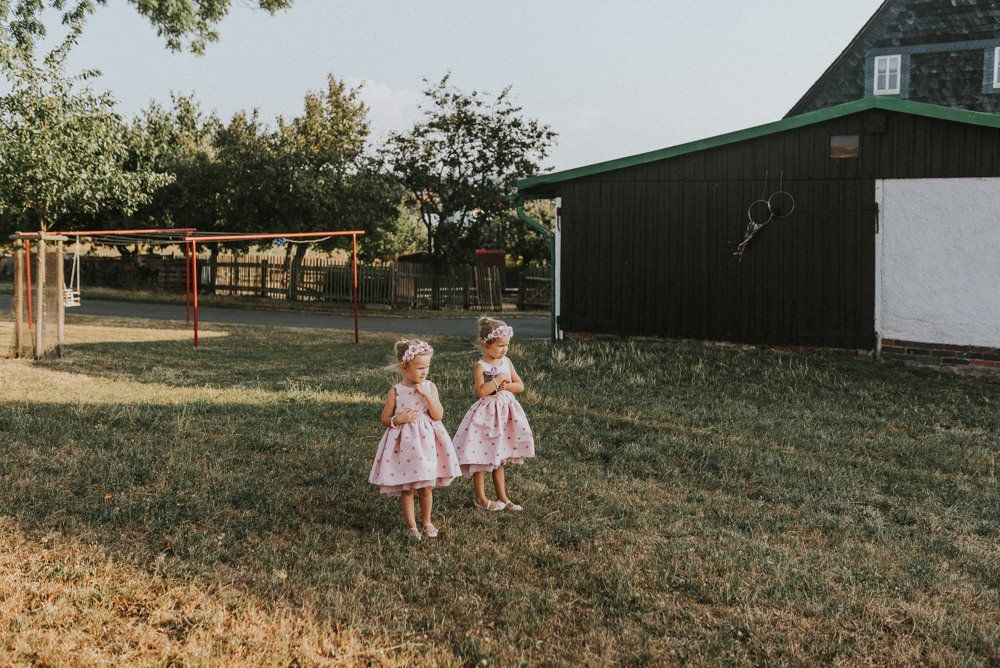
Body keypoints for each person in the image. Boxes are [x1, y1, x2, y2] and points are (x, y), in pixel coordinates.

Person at [369, 339, 461, 539]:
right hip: (405, 446)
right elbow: (384, 419)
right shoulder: (396, 391)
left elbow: (438, 415)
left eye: (427, 367)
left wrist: (428, 396)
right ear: (405, 367)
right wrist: (397, 419)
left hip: (427, 444)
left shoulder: (430, 387)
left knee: (426, 487)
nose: (424, 372)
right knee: (408, 488)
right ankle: (412, 526)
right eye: (420, 367)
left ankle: (427, 521)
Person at [451, 317, 535, 512]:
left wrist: (506, 384)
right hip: (486, 416)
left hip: (505, 415)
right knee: (481, 456)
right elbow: (481, 391)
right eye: (499, 346)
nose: (504, 350)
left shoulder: (507, 362)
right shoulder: (480, 365)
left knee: (500, 457)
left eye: (506, 345)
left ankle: (503, 497)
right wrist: (497, 381)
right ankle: (481, 498)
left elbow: (520, 386)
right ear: (485, 345)